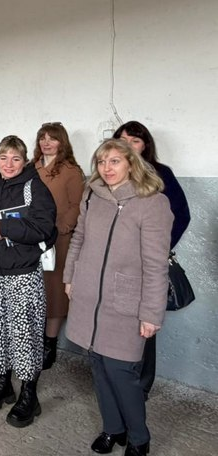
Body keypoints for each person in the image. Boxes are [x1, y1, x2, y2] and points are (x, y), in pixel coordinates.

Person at [63, 139, 172, 456]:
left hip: (126, 302)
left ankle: (138, 437)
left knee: (122, 373)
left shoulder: (152, 203)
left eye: (114, 161)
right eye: (101, 162)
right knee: (98, 366)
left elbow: (156, 265)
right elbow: (79, 239)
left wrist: (151, 313)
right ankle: (113, 428)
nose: (106, 168)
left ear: (131, 163)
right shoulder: (92, 196)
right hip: (89, 296)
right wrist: (70, 276)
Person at [0, 135, 57, 427]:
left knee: (24, 332)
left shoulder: (35, 188)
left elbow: (44, 228)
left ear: (25, 160)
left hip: (22, 273)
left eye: (15, 159)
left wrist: (5, 227)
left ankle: (30, 393)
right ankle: (3, 382)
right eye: (3, 158)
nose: (9, 164)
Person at [113, 121, 191, 400]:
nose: (128, 145)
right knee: (114, 320)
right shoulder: (111, 173)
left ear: (145, 145)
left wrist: (157, 249)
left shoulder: (160, 173)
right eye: (122, 139)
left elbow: (181, 215)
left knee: (143, 324)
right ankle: (115, 378)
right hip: (113, 262)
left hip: (144, 264)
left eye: (134, 140)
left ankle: (140, 385)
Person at [31, 123, 85, 369]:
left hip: (58, 240)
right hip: (31, 238)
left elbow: (77, 205)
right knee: (34, 290)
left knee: (54, 292)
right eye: (42, 138)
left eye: (52, 138)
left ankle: (49, 344)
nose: (46, 142)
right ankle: (32, 341)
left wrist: (62, 227)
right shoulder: (31, 167)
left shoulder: (70, 170)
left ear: (62, 142)